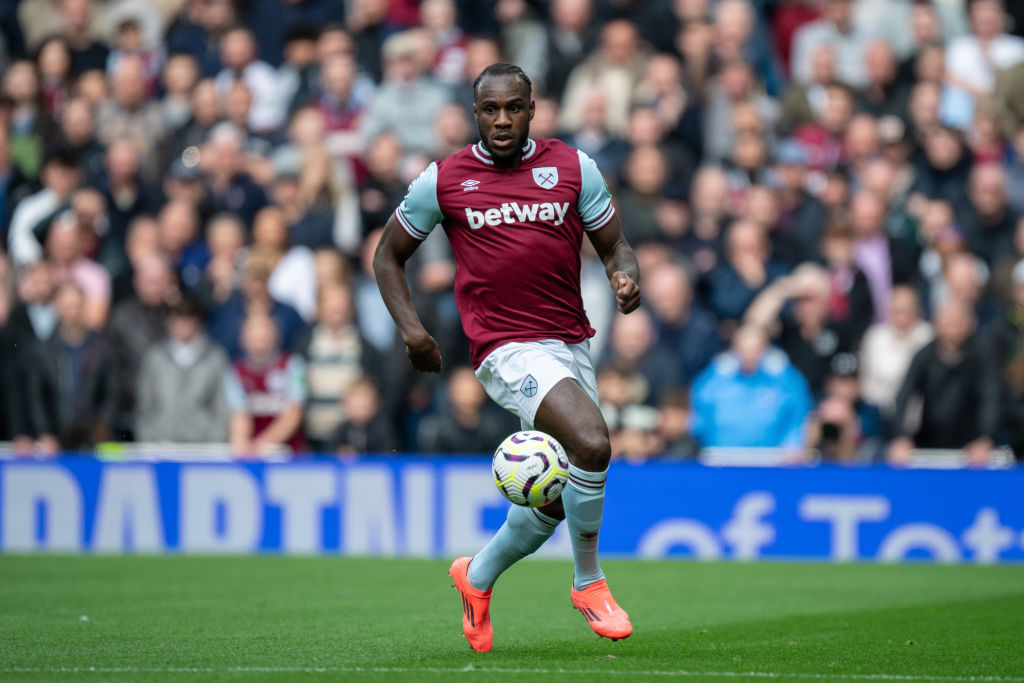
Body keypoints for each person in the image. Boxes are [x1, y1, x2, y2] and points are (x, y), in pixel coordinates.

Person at [373, 63, 640, 650]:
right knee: (592, 442)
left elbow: (615, 245)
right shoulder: (444, 180)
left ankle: (477, 576)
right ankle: (588, 582)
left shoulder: (572, 167)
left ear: (531, 109)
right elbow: (386, 257)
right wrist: (413, 331)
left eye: (512, 108)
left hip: (571, 340)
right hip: (506, 349)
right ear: (475, 113)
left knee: (550, 500)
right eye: (490, 109)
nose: (501, 119)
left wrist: (625, 278)